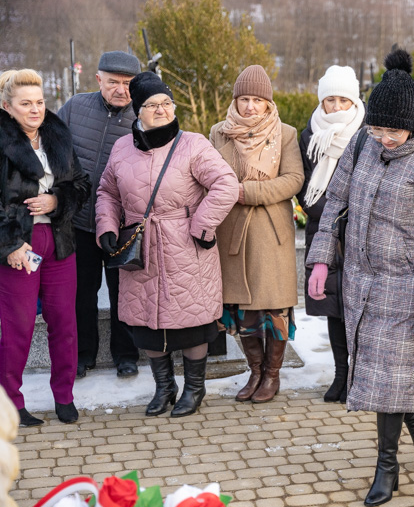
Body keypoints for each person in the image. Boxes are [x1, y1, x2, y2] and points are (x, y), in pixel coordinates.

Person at [307, 49, 414, 507]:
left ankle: (386, 469)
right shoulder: (363, 144)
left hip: (407, 286)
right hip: (360, 280)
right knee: (382, 375)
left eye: (392, 131)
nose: (384, 140)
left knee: (388, 378)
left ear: (410, 123)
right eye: (377, 129)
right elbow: (334, 200)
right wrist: (319, 260)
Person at [96, 72, 239, 417]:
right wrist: (107, 226)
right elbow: (107, 192)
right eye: (151, 105)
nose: (161, 110)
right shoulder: (121, 148)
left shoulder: (193, 144)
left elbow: (226, 184)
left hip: (186, 247)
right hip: (141, 248)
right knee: (145, 324)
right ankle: (164, 387)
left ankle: (194, 389)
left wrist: (201, 225)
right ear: (137, 110)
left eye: (166, 103)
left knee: (192, 323)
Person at [0, 69, 89, 426]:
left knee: (65, 323)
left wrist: (56, 201)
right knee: (18, 327)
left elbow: (81, 183)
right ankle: (11, 405)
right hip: (19, 246)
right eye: (26, 104)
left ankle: (64, 397)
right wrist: (9, 245)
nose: (35, 110)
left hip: (59, 242)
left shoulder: (57, 136)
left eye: (39, 102)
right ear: (7, 107)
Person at [209, 66, 303, 404]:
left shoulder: (286, 133)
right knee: (245, 308)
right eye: (244, 99)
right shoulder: (219, 133)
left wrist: (246, 191)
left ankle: (273, 375)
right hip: (232, 229)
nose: (250, 106)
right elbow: (209, 176)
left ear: (268, 104)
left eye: (258, 100)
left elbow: (293, 180)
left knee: (274, 307)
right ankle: (255, 370)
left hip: (271, 232)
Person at [57, 51, 141, 379]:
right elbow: (50, 148)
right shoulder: (76, 107)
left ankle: (126, 355)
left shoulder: (144, 115)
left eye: (127, 84)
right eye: (113, 82)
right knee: (81, 292)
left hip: (123, 224)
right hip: (78, 221)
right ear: (98, 80)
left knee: (124, 291)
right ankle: (82, 354)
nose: (120, 89)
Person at [298, 65, 365, 404]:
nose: (336, 107)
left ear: (353, 101)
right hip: (322, 229)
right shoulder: (309, 134)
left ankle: (359, 375)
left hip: (359, 232)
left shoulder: (366, 133)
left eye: (343, 99)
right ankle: (341, 374)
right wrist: (322, 213)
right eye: (330, 100)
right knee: (334, 308)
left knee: (360, 306)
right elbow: (304, 184)